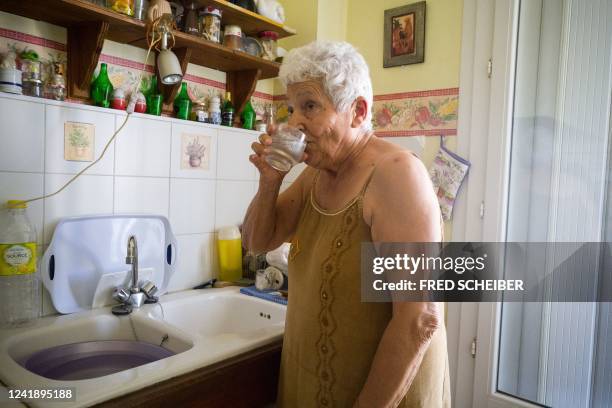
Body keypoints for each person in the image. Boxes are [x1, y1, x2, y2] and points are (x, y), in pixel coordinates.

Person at [242, 41, 450, 408]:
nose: (295, 123)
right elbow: (258, 241)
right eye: (291, 109)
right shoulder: (315, 175)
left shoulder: (397, 175)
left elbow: (419, 319)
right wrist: (270, 179)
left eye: (310, 106)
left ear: (357, 111)